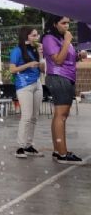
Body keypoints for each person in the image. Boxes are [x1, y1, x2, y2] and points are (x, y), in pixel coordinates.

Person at [42, 15, 84, 164]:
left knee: (61, 115)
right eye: (63, 23)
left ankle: (58, 150)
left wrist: (78, 55)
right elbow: (58, 60)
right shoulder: (49, 39)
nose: (67, 26)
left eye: (68, 23)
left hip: (66, 77)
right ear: (55, 24)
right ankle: (62, 153)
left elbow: (66, 57)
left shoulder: (61, 39)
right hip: (58, 77)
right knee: (61, 115)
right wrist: (67, 41)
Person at [9, 26, 44, 158]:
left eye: (37, 35)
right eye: (33, 35)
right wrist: (28, 65)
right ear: (26, 37)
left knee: (34, 117)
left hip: (37, 84)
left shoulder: (35, 50)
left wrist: (40, 55)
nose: (37, 37)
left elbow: (43, 69)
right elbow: (12, 69)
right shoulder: (17, 51)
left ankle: (29, 145)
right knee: (27, 116)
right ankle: (20, 146)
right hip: (24, 86)